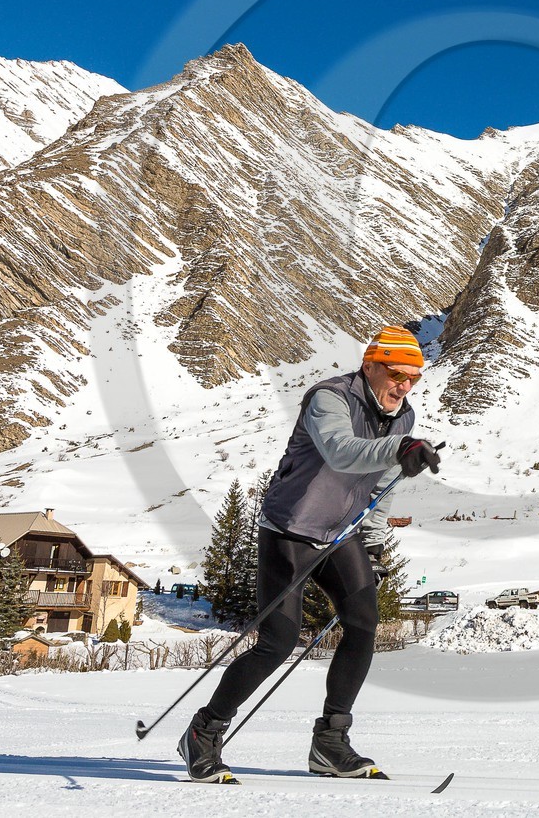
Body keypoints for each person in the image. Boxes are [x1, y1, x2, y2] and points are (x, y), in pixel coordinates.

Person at [178, 325, 442, 783]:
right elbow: (341, 452)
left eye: (413, 378)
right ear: (370, 365)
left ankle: (331, 743)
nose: (404, 386)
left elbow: (382, 483)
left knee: (363, 625)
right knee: (278, 642)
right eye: (396, 374)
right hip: (291, 530)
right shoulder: (329, 399)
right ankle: (204, 731)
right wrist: (399, 448)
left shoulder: (403, 416)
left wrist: (375, 542)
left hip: (343, 534)